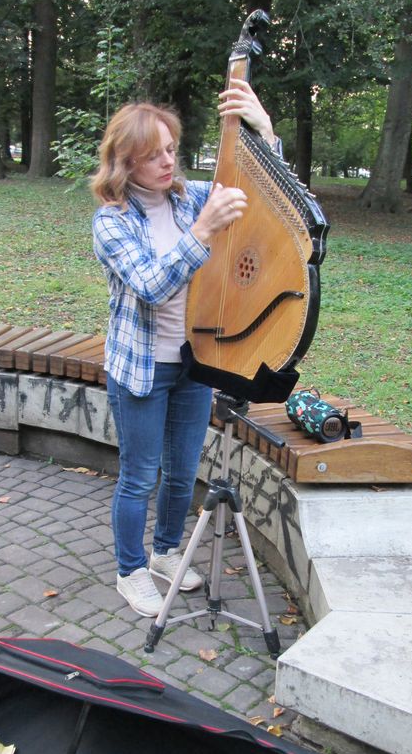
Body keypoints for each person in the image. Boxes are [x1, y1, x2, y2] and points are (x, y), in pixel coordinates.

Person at [91, 79, 278, 617]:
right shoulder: (111, 222)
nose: (168, 162)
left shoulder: (187, 198)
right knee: (139, 476)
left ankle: (166, 552)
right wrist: (202, 232)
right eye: (154, 155)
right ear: (126, 161)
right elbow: (151, 286)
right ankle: (130, 571)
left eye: (171, 149)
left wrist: (265, 130)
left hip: (195, 363)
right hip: (143, 369)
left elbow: (260, 193)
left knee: (181, 471)